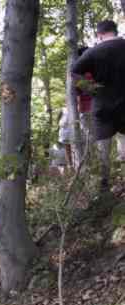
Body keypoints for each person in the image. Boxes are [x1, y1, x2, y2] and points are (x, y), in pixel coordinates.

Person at [72, 19, 125, 192]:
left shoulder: (93, 52)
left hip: (102, 105)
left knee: (104, 148)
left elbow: (74, 71)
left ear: (99, 34)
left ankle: (104, 186)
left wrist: (90, 90)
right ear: (115, 31)